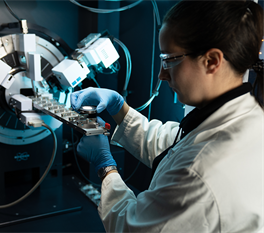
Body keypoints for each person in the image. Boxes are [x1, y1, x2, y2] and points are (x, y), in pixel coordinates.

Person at [70, 0, 264, 232]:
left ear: (211, 61)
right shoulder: (241, 118)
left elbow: (132, 227)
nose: (161, 75)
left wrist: (106, 166)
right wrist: (119, 108)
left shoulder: (199, 174)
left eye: (169, 60)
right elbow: (174, 147)